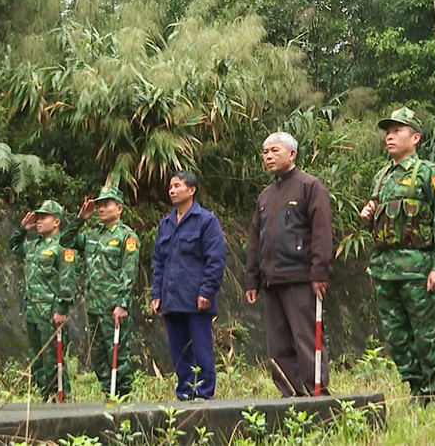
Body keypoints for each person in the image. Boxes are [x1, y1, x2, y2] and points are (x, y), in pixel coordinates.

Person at [359, 107, 435, 406]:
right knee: (396, 337)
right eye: (387, 130)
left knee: (425, 335)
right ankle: (416, 389)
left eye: (397, 130)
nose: (389, 135)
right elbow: (381, 220)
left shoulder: (428, 173)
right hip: (385, 271)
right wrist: (368, 215)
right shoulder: (381, 176)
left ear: (415, 137)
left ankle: (433, 391)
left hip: (418, 269)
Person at [244, 131, 333, 397]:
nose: (268, 156)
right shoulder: (265, 196)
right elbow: (255, 239)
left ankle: (315, 393)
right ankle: (290, 395)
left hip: (300, 277)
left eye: (274, 151)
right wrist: (253, 279)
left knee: (306, 339)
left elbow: (321, 230)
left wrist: (319, 272)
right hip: (271, 280)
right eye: (264, 152)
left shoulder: (309, 186)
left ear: (291, 154)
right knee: (278, 344)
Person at [151, 171, 227, 400]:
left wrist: (207, 290)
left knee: (201, 350)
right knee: (179, 351)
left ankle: (205, 393)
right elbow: (159, 262)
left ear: (191, 190)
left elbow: (216, 259)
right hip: (171, 299)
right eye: (170, 187)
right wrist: (157, 294)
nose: (171, 190)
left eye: (177, 186)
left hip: (196, 299)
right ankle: (185, 393)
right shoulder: (165, 224)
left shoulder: (206, 221)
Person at [60, 184, 140, 398]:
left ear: (119, 208)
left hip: (113, 306)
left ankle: (122, 397)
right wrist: (80, 219)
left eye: (107, 204)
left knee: (118, 354)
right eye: (99, 205)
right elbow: (65, 240)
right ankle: (108, 392)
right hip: (94, 305)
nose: (101, 209)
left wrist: (122, 304)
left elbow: (129, 272)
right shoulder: (92, 235)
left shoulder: (127, 237)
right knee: (97, 355)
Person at [9, 199, 77, 401]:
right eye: (37, 217)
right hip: (32, 310)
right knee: (36, 359)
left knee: (53, 360)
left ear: (56, 222)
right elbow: (14, 246)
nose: (38, 220)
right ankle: (44, 397)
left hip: (50, 312)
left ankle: (62, 399)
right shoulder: (32, 246)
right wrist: (22, 229)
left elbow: (66, 281)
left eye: (43, 217)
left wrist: (61, 309)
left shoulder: (64, 246)